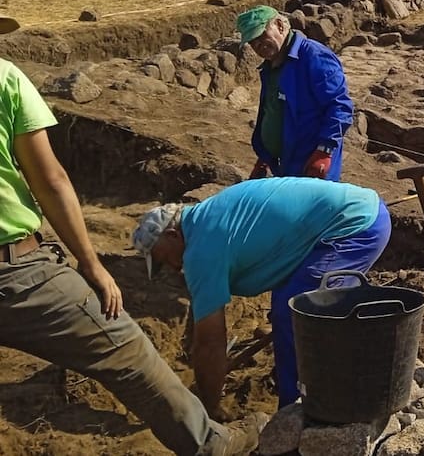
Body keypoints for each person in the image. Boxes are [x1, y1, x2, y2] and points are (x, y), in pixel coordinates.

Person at [0, 51, 260, 455]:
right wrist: (92, 265)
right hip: (16, 274)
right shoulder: (5, 78)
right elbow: (51, 181)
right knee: (127, 347)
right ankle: (209, 443)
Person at [132, 177, 391, 411]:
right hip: (345, 214)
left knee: (297, 315)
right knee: (287, 304)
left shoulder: (201, 252)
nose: (174, 267)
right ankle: (298, 380)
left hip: (355, 226)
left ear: (171, 234)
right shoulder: (204, 218)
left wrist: (208, 409)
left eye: (164, 258)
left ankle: (303, 409)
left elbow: (210, 343)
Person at [237, 5, 354, 181]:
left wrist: (325, 151)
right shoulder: (271, 67)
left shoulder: (313, 57)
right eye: (252, 41)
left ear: (280, 25)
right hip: (284, 165)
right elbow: (274, 112)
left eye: (261, 35)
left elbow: (340, 105)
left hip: (311, 164)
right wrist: (264, 158)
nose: (258, 45)